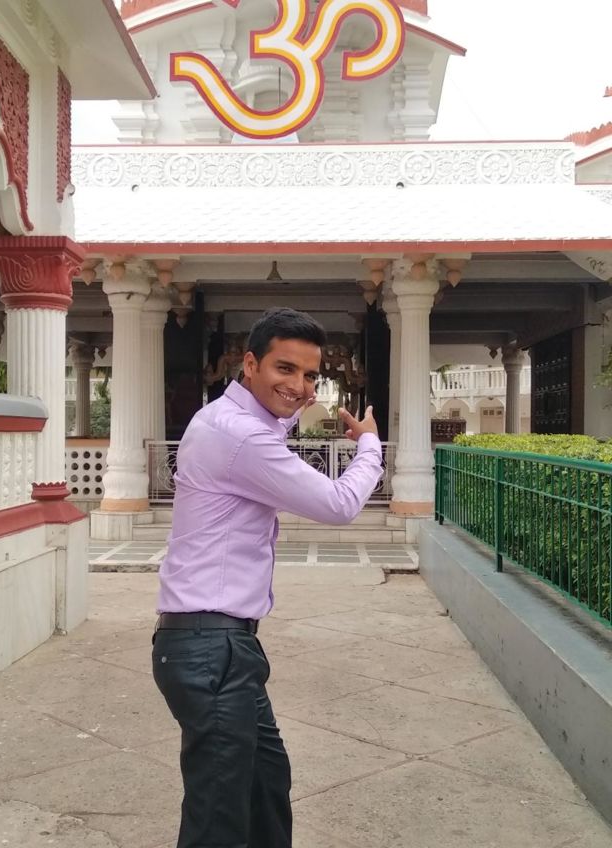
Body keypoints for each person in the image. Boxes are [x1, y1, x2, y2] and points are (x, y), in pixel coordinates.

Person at [152, 307, 383, 848]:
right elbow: (338, 504)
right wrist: (369, 445)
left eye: (309, 375)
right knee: (219, 820)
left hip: (218, 646)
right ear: (250, 364)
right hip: (211, 648)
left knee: (264, 788)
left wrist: (291, 405)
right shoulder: (240, 437)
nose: (299, 386)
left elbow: (276, 420)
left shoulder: (230, 422)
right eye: (285, 369)